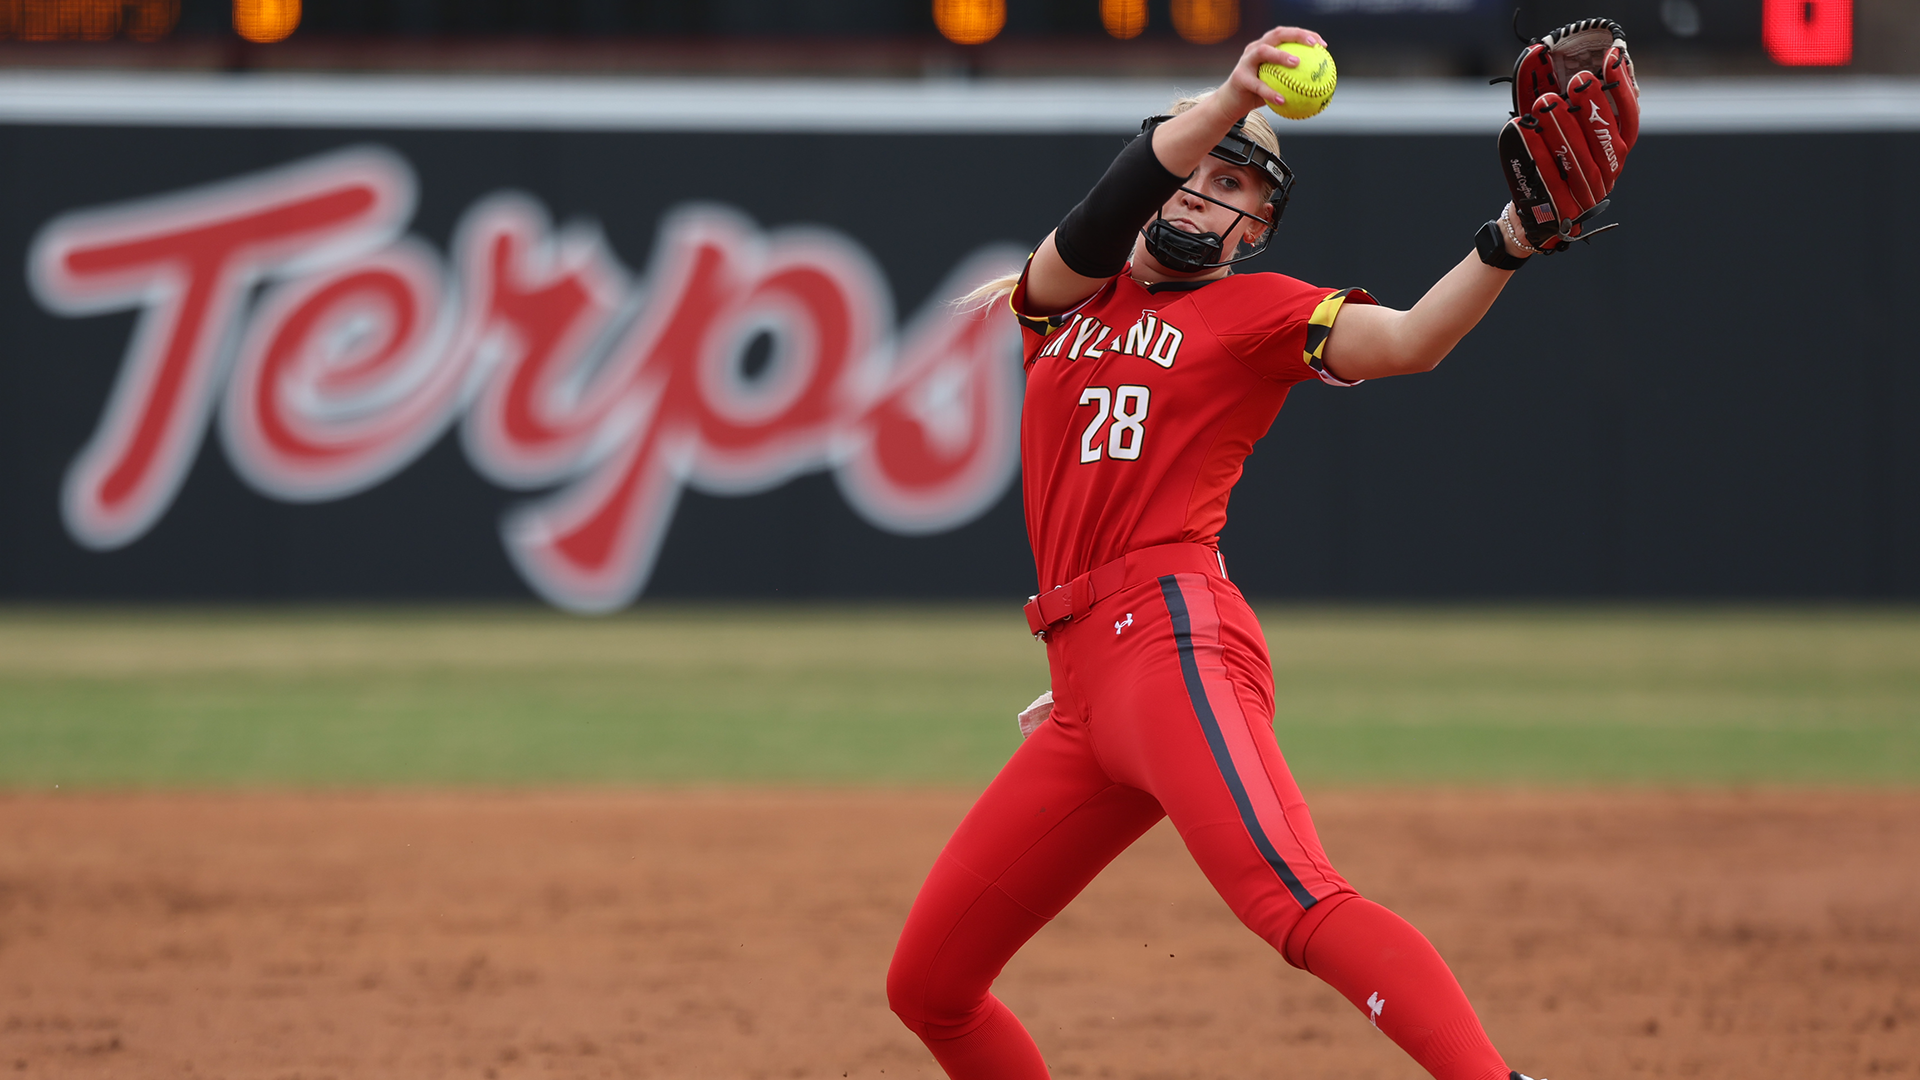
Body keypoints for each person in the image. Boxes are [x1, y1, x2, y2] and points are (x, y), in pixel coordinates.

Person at [885, 24, 1578, 1080]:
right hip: (1083, 684)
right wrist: (1228, 101)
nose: (1201, 197)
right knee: (930, 988)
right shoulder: (1060, 300)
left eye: (1233, 187)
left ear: (1256, 228)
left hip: (1171, 644)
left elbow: (1409, 342)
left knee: (1294, 900)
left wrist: (1509, 240)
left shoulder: (1255, 310)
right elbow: (1107, 208)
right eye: (1193, 172)